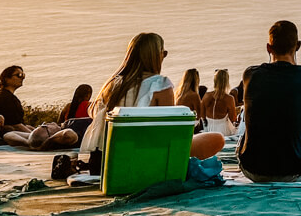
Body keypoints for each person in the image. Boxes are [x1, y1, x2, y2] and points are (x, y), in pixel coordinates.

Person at [81, 33, 225, 160]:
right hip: (145, 152)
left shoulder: (111, 84)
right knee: (216, 138)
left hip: (107, 153)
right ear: (155, 56)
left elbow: (92, 113)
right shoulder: (159, 84)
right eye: (164, 53)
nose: (164, 56)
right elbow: (170, 131)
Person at [239, 21, 301, 182]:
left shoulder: (250, 74)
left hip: (252, 169)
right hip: (296, 170)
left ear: (268, 47)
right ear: (298, 46)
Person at [0, 66, 32, 132]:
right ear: (7, 79)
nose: (22, 78)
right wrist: (35, 137)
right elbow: (17, 126)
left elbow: (19, 124)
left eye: (23, 75)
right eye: (19, 75)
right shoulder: (6, 98)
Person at [201, 70, 238, 137]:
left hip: (209, 129)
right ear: (226, 82)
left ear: (215, 81)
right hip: (223, 130)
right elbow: (233, 118)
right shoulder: (229, 98)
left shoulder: (206, 95)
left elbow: (202, 115)